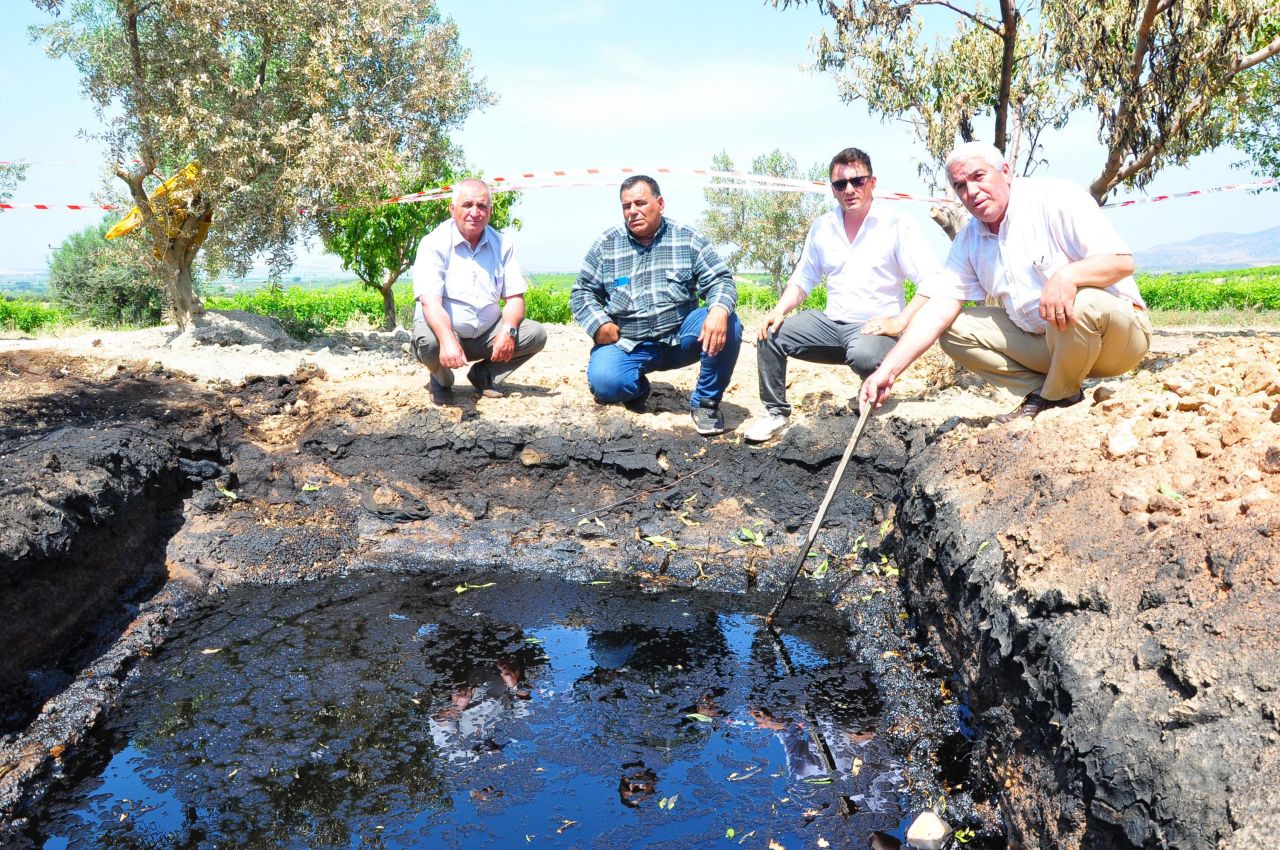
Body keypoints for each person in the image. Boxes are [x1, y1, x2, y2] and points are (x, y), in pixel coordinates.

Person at [860, 141, 1151, 421]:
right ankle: (1049, 392)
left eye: (978, 176)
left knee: (1079, 299)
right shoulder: (969, 240)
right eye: (961, 185)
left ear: (1006, 172)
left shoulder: (1056, 198)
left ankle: (1056, 395)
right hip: (1051, 346)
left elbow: (1121, 261)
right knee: (953, 330)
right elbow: (938, 309)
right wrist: (888, 371)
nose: (971, 191)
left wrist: (1068, 276)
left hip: (1114, 340)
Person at [743, 147, 946, 443]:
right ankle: (775, 413)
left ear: (872, 183)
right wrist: (780, 310)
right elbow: (805, 277)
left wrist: (899, 323)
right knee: (771, 334)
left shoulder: (896, 224)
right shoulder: (823, 226)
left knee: (862, 354)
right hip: (831, 323)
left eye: (857, 181)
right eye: (841, 184)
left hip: (874, 329)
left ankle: (872, 385)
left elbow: (932, 279)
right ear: (833, 190)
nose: (849, 189)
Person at [571, 175, 743, 436]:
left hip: (682, 338)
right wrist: (599, 324)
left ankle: (705, 404)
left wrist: (718, 310)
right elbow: (581, 293)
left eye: (640, 203)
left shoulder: (687, 238)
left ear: (660, 203)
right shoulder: (606, 244)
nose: (633, 212)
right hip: (630, 343)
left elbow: (721, 280)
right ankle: (638, 390)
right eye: (626, 206)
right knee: (606, 384)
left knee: (728, 322)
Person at [410, 178, 547, 405]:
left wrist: (509, 330)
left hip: (486, 334)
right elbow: (430, 303)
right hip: (446, 332)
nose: (475, 212)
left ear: (490, 212)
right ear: (452, 210)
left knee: (536, 334)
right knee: (430, 343)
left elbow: (515, 299)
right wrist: (447, 338)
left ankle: (485, 374)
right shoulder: (433, 243)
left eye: (482, 206)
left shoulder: (503, 244)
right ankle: (441, 379)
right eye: (467, 205)